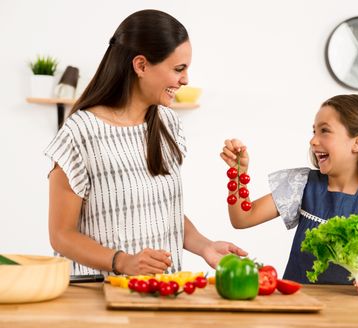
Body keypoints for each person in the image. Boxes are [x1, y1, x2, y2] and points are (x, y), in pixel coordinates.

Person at [44, 9, 247, 277]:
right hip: (99, 298)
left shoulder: (168, 124)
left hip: (161, 292)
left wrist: (205, 246)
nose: (185, 79)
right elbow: (62, 235)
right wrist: (122, 261)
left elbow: (161, 211)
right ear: (141, 66)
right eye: (178, 69)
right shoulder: (80, 133)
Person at [220, 94, 358, 296]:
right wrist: (238, 173)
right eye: (314, 131)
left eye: (324, 131)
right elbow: (242, 218)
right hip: (301, 308)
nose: (313, 140)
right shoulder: (303, 185)